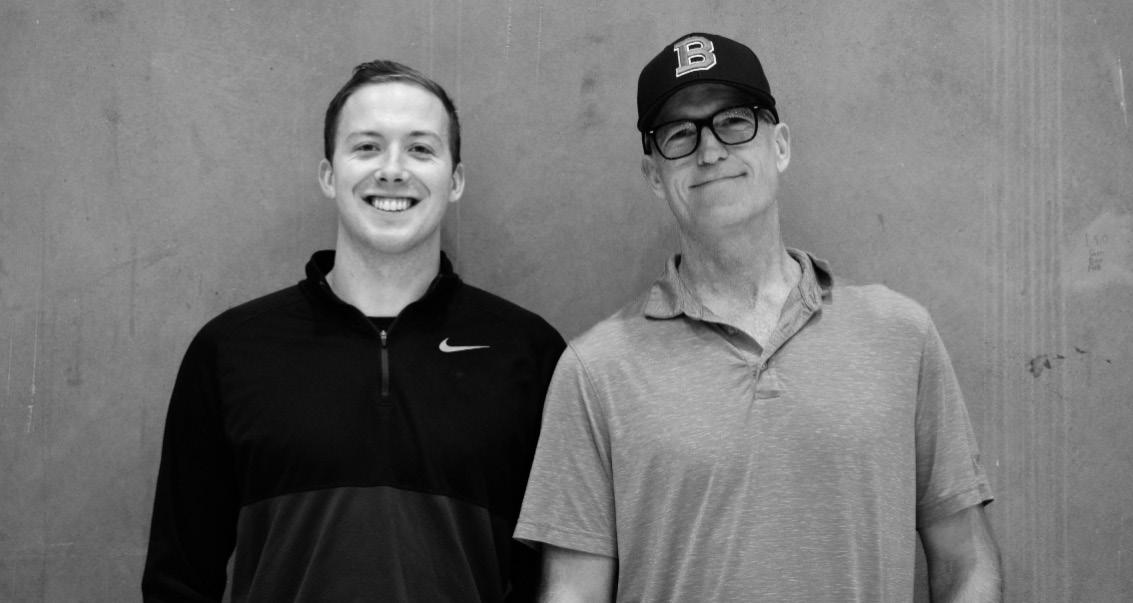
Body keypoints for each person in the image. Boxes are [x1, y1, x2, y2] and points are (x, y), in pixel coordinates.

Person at [514, 32, 1001, 602]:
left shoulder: (900, 334)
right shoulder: (595, 371)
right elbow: (572, 593)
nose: (710, 151)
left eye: (734, 121)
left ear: (781, 146)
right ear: (653, 175)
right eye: (679, 133)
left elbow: (966, 562)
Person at [143, 60, 564, 601]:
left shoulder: (527, 354)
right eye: (367, 147)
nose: (392, 170)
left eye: (421, 149)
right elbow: (178, 581)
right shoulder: (230, 352)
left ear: (455, 180)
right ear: (328, 175)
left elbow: (557, 580)